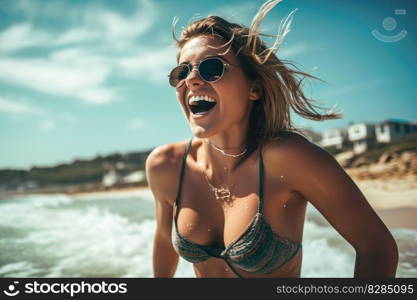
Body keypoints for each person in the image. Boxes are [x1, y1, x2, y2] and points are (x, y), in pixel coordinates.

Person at [146, 0, 398, 278]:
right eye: (182, 72)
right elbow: (163, 241)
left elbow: (376, 247)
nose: (191, 79)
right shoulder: (166, 165)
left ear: (253, 88)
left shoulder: (289, 159)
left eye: (211, 68)